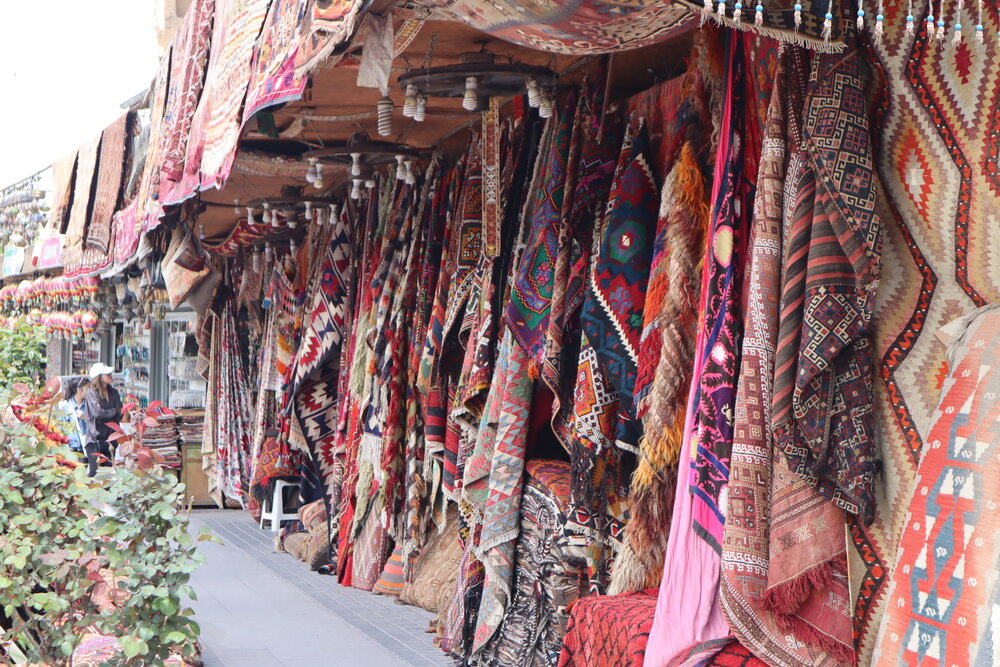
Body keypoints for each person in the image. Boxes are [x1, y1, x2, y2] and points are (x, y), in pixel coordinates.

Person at [82, 363, 122, 478]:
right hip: (95, 438)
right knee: (95, 473)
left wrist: (106, 412)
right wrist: (112, 411)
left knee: (108, 473)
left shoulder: (114, 392)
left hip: (111, 437)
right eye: (107, 374)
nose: (110, 375)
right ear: (99, 377)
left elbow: (120, 411)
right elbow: (97, 412)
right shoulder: (91, 392)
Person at [58, 377, 91, 457]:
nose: (90, 392)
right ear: (79, 390)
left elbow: (95, 424)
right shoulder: (66, 407)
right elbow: (60, 429)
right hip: (72, 447)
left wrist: (85, 417)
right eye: (87, 389)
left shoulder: (90, 405)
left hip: (87, 446)